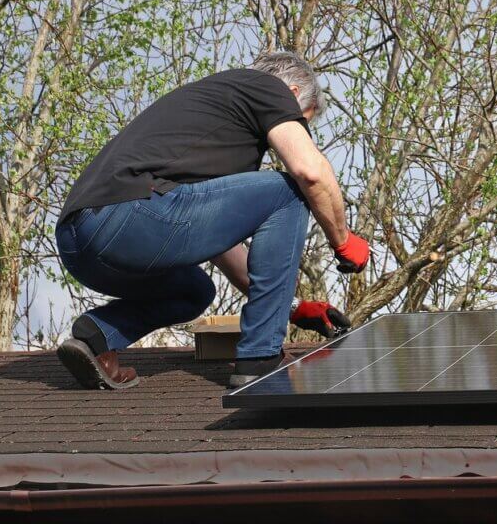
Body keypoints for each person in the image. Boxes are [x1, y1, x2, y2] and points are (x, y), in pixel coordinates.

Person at [53, 51, 368, 390]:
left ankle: (98, 335)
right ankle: (261, 358)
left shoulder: (212, 122)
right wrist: (343, 240)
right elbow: (311, 174)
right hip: (127, 218)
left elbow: (219, 243)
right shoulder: (267, 87)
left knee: (194, 291)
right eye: (300, 120)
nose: (298, 129)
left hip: (80, 243)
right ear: (291, 93)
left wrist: (293, 307)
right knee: (289, 190)